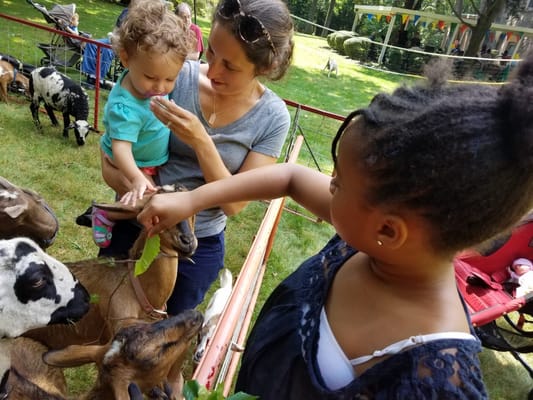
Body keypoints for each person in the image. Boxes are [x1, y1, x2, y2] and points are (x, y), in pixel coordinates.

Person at [137, 54, 533, 398]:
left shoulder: (436, 378)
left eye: (338, 183)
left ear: (391, 230)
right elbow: (289, 177)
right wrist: (190, 199)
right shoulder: (376, 241)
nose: (327, 186)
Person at [98, 0, 294, 315]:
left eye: (230, 65)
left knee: (163, 330)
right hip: (135, 222)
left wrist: (201, 140)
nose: (213, 70)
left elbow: (234, 204)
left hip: (195, 243)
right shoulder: (172, 76)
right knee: (108, 311)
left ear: (265, 68)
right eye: (212, 52)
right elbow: (111, 152)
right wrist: (135, 189)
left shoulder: (272, 118)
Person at [91, 0, 194, 248]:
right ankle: (105, 214)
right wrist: (136, 178)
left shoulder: (146, 79)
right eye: (151, 78)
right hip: (133, 163)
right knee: (142, 198)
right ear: (125, 58)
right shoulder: (125, 108)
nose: (160, 87)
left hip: (148, 160)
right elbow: (121, 149)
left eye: (170, 79)